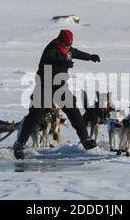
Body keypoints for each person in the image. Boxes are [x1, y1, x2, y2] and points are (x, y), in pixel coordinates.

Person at [13, 29, 101, 159]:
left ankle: (86, 139)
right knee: (37, 113)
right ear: (60, 40)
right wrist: (63, 62)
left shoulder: (69, 49)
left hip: (60, 86)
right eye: (66, 44)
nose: (68, 47)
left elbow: (77, 53)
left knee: (73, 110)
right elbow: (49, 59)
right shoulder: (52, 48)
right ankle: (20, 144)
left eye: (69, 45)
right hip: (44, 86)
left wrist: (90, 57)